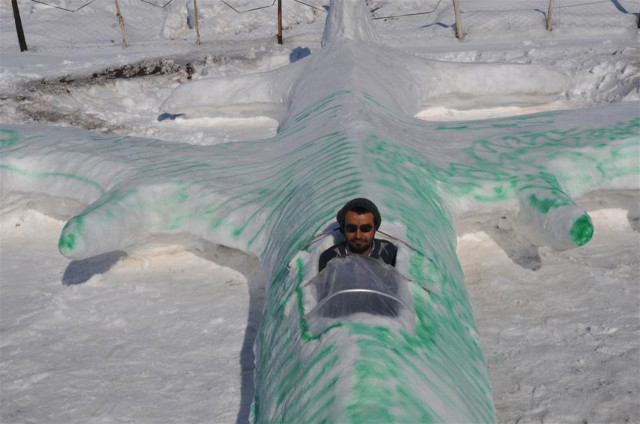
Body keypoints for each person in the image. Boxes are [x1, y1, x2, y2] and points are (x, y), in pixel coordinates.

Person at [319, 198, 397, 272]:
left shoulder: (388, 252)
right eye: (351, 228)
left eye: (365, 228)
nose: (358, 235)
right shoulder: (330, 257)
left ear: (375, 229)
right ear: (343, 229)